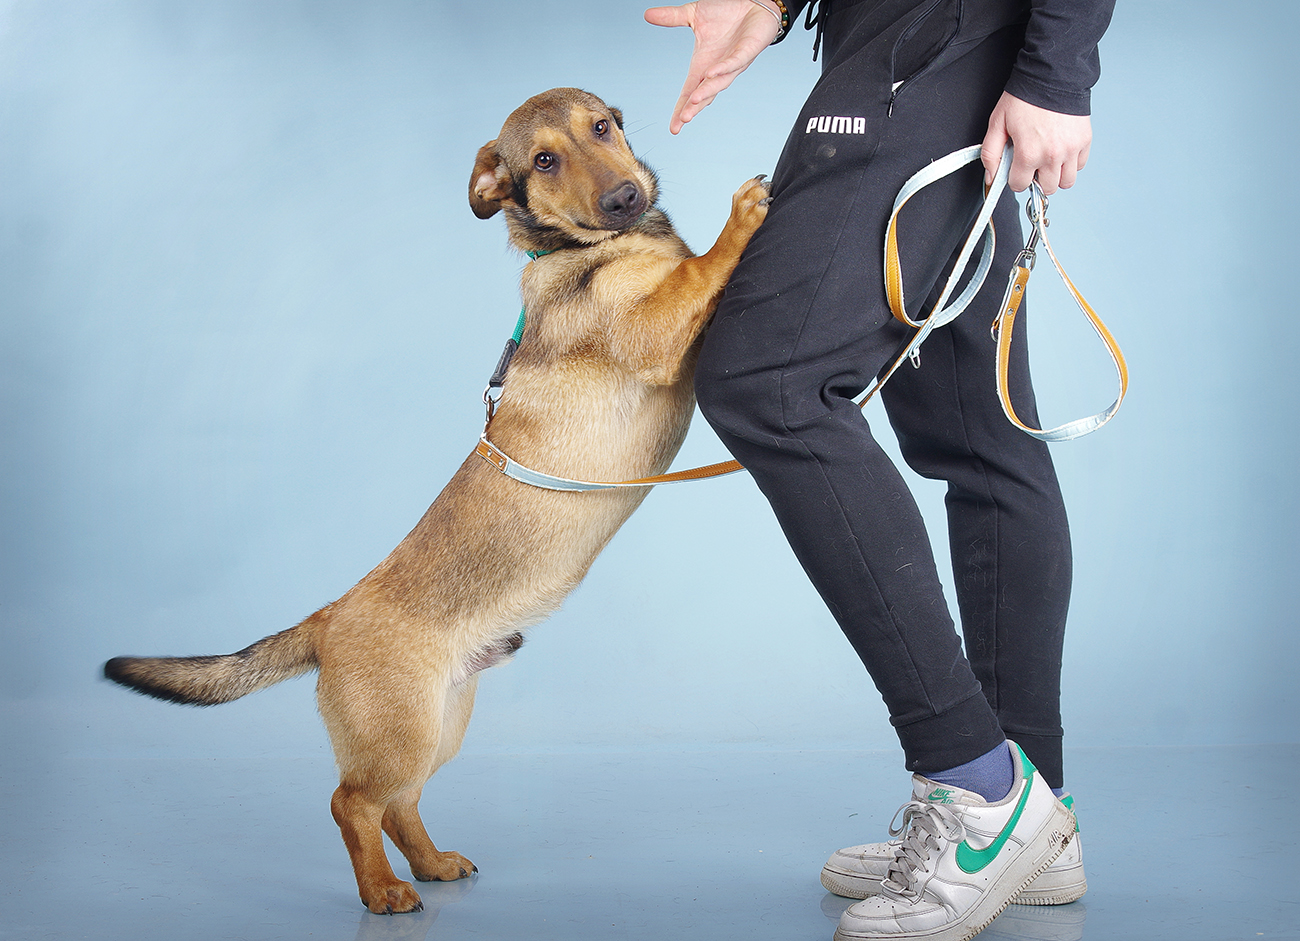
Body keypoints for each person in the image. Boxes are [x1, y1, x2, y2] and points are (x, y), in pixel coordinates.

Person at [643, 1, 1114, 939]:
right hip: (911, 32)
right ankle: (1036, 811)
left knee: (770, 381)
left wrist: (1059, 70)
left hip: (937, 29)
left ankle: (980, 792)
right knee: (976, 431)